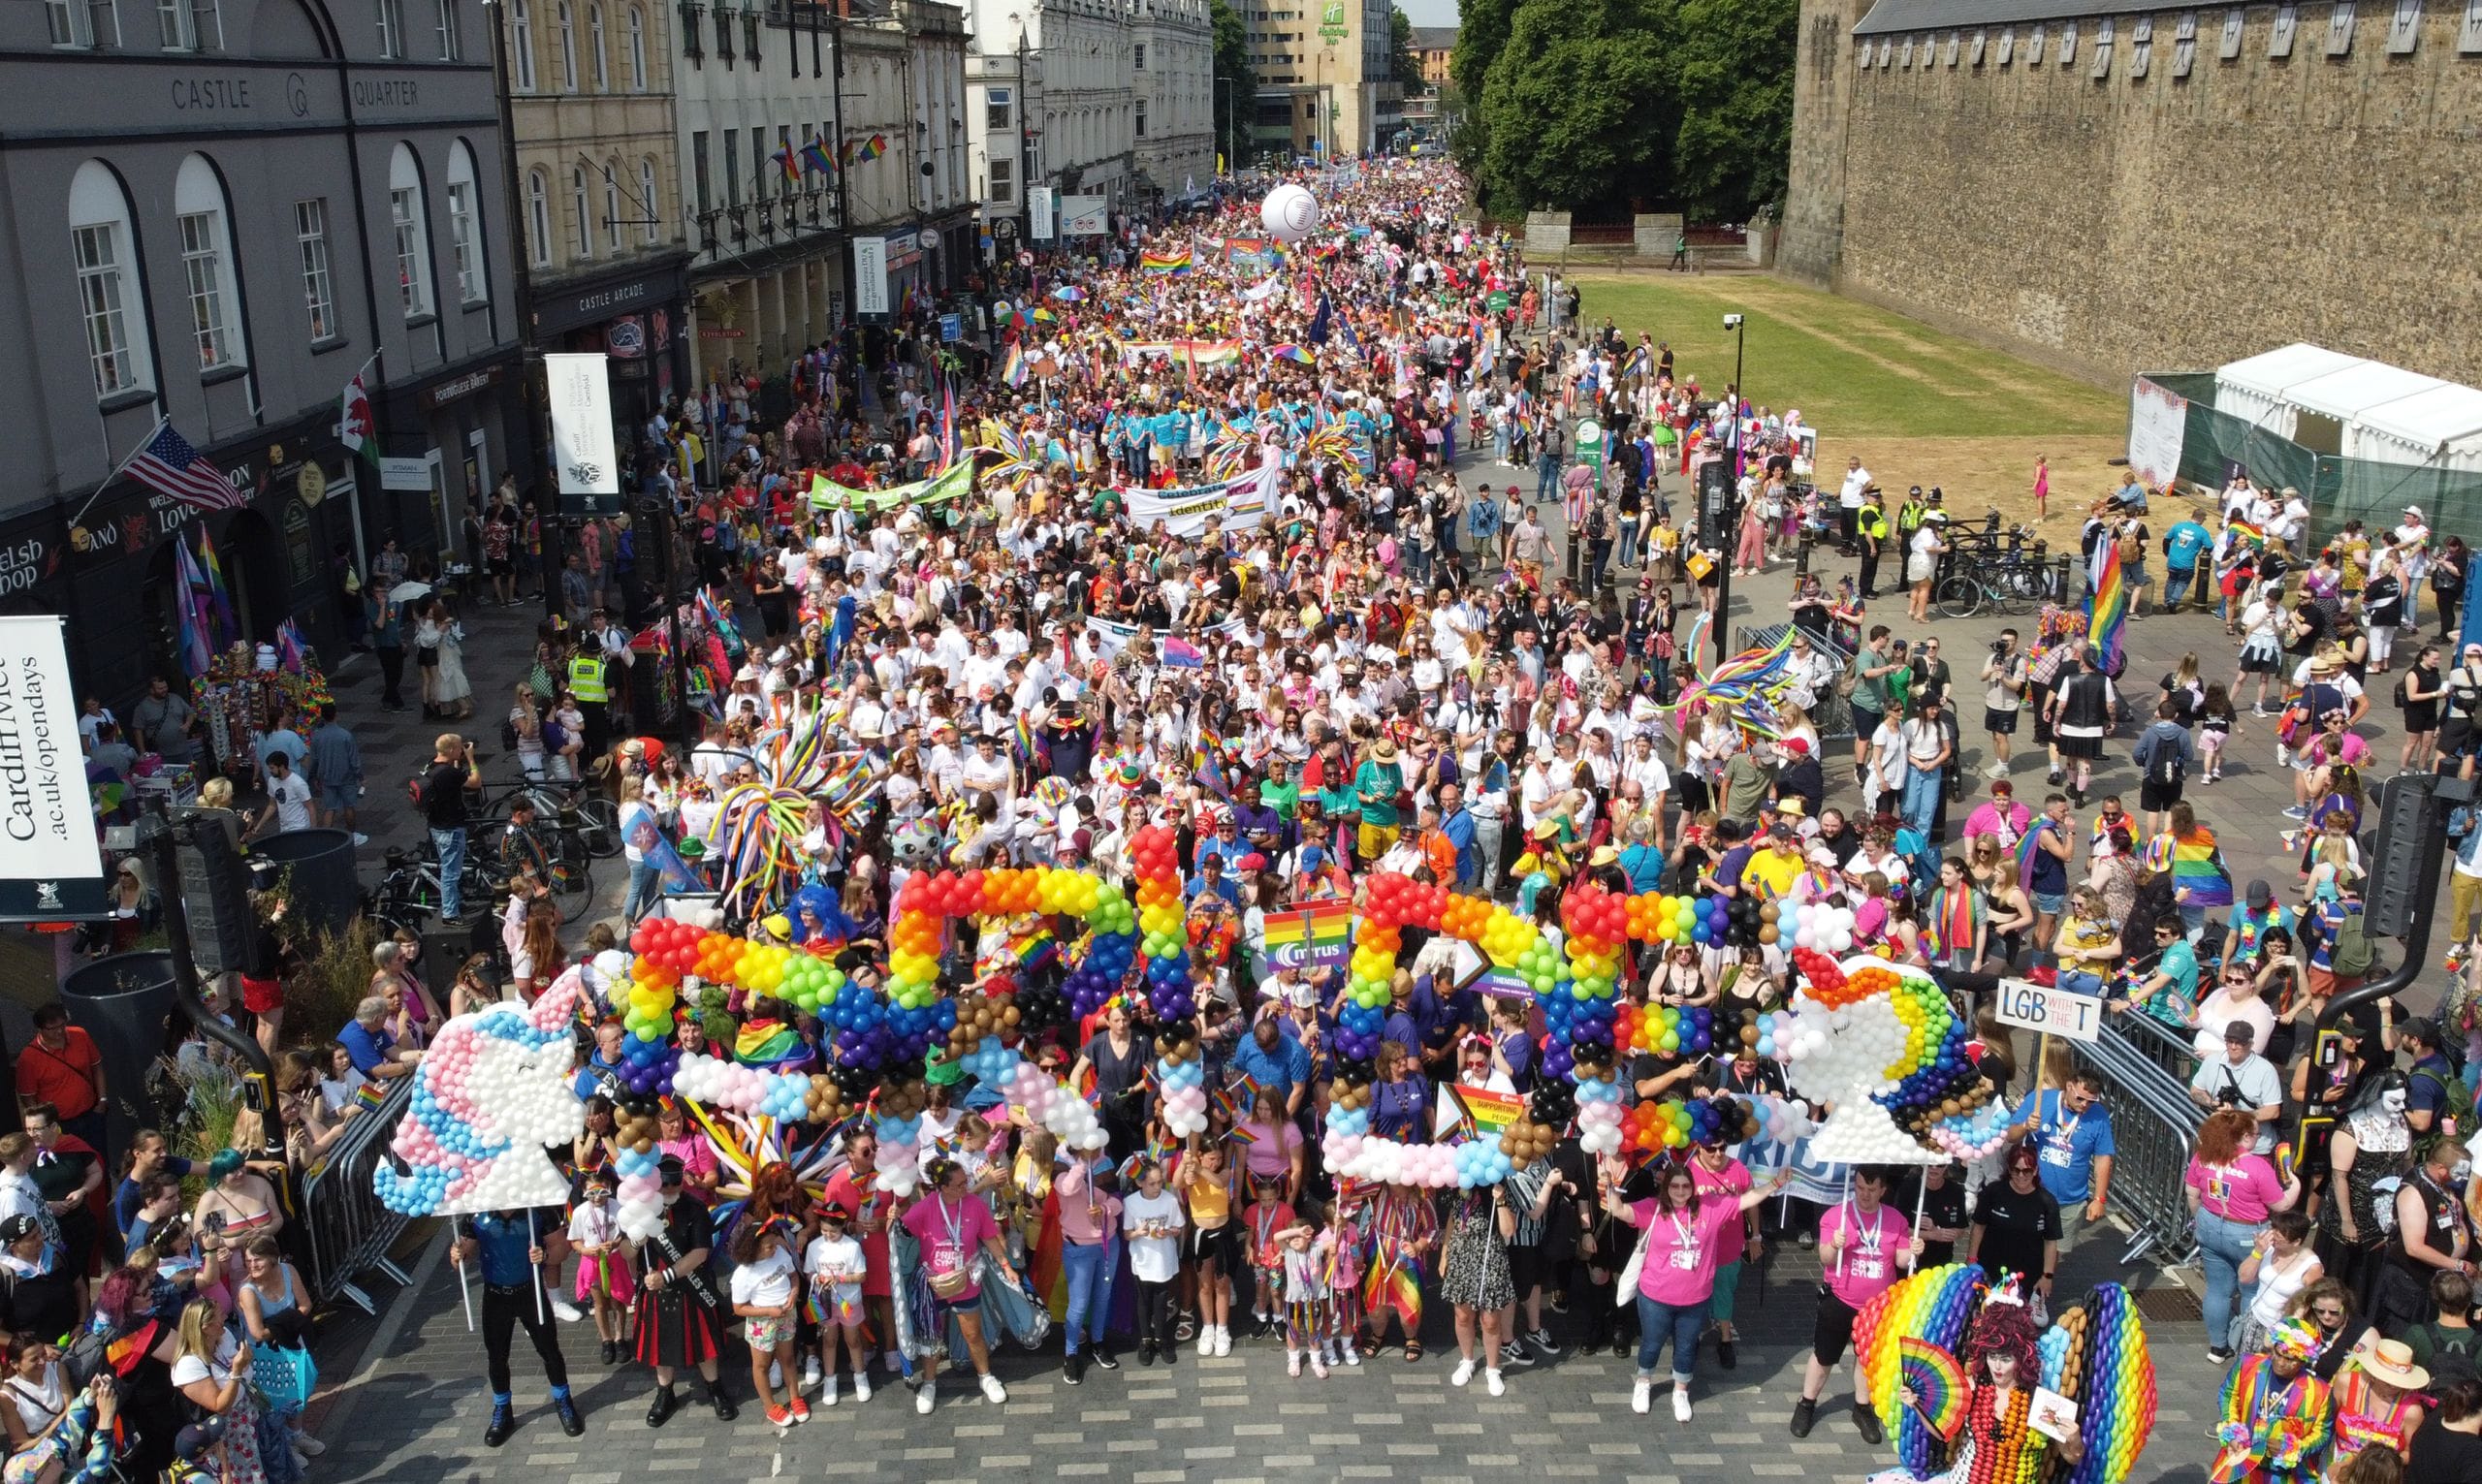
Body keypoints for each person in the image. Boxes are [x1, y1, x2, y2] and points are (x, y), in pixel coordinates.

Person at [1605, 1148, 1783, 1419]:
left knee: (1686, 1347)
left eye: (1686, 1186)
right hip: (1655, 1297)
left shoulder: (1710, 1209)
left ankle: (1680, 1391)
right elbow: (1619, 1211)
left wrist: (1776, 1183)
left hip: (1695, 1299)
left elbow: (1747, 1200)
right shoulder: (1653, 1209)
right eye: (1674, 1186)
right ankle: (1643, 1383)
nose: (1680, 1191)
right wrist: (1609, 1186)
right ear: (1666, 1188)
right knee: (1652, 1343)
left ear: (1693, 1188)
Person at [1790, 1165, 1922, 1441]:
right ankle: (1806, 1403)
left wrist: (1913, 1251)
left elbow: (1900, 1261)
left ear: (1883, 1190)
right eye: (1860, 1188)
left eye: (1872, 1190)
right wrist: (1835, 1245)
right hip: (1840, 1299)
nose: (1865, 1195)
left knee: (1866, 1358)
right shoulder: (1837, 1216)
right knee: (1824, 1355)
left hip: (1877, 1306)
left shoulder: (1895, 1219)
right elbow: (1825, 1258)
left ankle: (1862, 1408)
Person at [450, 1206, 586, 1447]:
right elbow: (464, 1258)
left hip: (530, 1292)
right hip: (495, 1296)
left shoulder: (539, 1212)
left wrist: (543, 1256)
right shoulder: (477, 1215)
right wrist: (457, 1255)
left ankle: (563, 1401)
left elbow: (561, 1250)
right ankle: (503, 1410)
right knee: (497, 1357)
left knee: (549, 1350)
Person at [900, 1155, 1017, 1414]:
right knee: (932, 1337)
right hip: (935, 1283)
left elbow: (989, 1237)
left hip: (965, 1281)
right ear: (943, 1188)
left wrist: (1006, 1266)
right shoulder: (925, 1207)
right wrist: (890, 1218)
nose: (967, 1187)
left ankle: (985, 1376)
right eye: (961, 1184)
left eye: (967, 1182)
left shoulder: (974, 1205)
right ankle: (929, 1383)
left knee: (973, 1334)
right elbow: (901, 1232)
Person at [2188, 1107, 2304, 1362]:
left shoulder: (2203, 1156)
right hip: (2248, 1232)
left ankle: (2217, 1347)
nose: (2258, 1138)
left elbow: (2192, 1194)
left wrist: (2201, 1221)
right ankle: (2247, 1348)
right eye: (2256, 1134)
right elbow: (2281, 1205)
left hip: (2209, 1222)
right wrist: (2295, 1185)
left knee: (2217, 1290)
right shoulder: (2257, 1166)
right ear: (2244, 1136)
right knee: (2252, 1289)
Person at [633, 1156, 735, 1427]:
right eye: (664, 1184)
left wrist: (666, 1275)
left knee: (705, 1345)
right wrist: (635, 1239)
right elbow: (625, 1252)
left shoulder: (695, 1208)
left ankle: (715, 1388)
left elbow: (701, 1252)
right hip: (656, 1290)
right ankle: (665, 1393)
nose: (669, 1189)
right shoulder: (642, 1209)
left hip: (692, 1285)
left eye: (674, 1183)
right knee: (660, 1346)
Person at [2212, 1317, 2335, 1484]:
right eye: (2278, 1353)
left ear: (2303, 1360)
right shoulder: (2248, 1365)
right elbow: (2228, 1394)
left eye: (2290, 1359)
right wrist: (2233, 1429)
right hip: (2241, 1462)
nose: (2281, 1362)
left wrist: (2292, 1448)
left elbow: (2322, 1433)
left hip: (2284, 1475)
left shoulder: (2321, 1391)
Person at [1968, 1143, 2061, 1309]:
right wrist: (1972, 1260)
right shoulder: (1994, 1191)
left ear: (2036, 1171)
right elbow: (1978, 1227)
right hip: (1991, 1268)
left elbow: (2051, 1242)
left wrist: (2047, 1276)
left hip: (2027, 1273)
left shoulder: (2047, 1201)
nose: (2021, 1175)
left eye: (2027, 1171)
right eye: (2015, 1170)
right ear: (2009, 1169)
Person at [14, 1009, 104, 1162]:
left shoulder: (80, 1035)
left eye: (62, 1025)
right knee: (71, 1166)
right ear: (40, 1029)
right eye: (52, 1028)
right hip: (60, 1125)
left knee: (100, 1160)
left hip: (91, 1114)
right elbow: (28, 1099)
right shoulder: (28, 1058)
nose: (60, 1031)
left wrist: (102, 1100)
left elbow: (97, 1067)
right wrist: (44, 1128)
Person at [421, 733, 483, 922]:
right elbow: (475, 782)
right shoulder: (448, 773)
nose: (461, 750)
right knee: (451, 873)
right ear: (450, 750)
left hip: (437, 825)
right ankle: (450, 914)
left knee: (449, 868)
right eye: (458, 748)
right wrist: (471, 759)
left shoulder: (432, 766)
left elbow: (453, 782)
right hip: (450, 828)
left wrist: (458, 761)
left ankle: (455, 903)